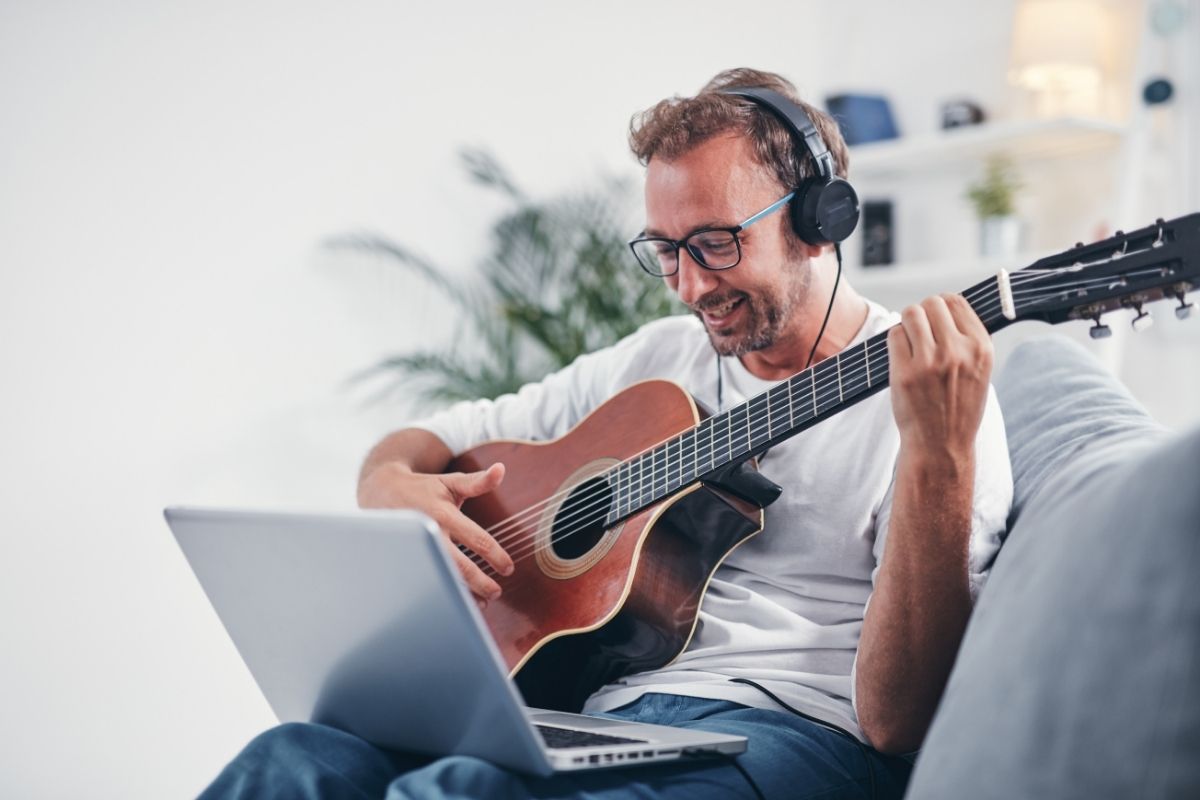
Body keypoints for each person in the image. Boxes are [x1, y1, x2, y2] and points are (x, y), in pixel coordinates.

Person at [201, 68, 1012, 799]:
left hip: (792, 735)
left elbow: (901, 725)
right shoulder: (655, 364)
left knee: (460, 792)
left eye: (717, 243)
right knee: (289, 760)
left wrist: (940, 457)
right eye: (666, 251)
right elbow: (432, 438)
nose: (692, 285)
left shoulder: (940, 399)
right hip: (604, 713)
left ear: (819, 218)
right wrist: (389, 486)